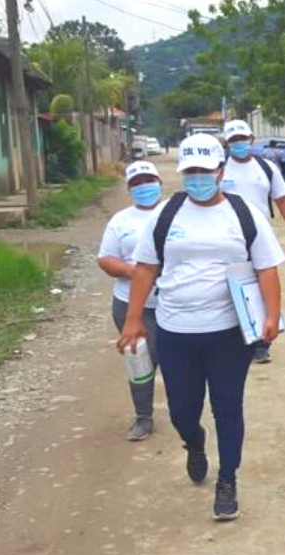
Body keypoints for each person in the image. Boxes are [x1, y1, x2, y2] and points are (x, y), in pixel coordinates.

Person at [117, 133, 285, 521]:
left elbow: (266, 267)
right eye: (190, 171)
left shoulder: (243, 214)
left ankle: (228, 481)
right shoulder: (167, 214)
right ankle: (194, 442)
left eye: (204, 171)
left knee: (228, 407)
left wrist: (272, 315)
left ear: (220, 171)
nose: (197, 178)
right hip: (175, 330)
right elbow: (146, 267)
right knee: (182, 410)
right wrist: (132, 319)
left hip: (229, 331)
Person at [221, 120, 285, 365]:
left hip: (260, 238)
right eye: (233, 140)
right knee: (231, 287)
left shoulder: (266, 167)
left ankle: (261, 342)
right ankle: (234, 338)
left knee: (262, 287)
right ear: (227, 143)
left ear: (251, 139)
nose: (239, 143)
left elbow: (283, 201)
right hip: (228, 238)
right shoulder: (220, 170)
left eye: (242, 138)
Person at [97, 161, 163, 442]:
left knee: (176, 361)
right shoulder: (121, 221)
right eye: (137, 183)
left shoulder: (175, 211)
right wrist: (134, 272)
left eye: (149, 180)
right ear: (129, 189)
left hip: (172, 305)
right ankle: (144, 417)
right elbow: (105, 259)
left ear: (159, 182)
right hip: (130, 304)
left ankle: (186, 412)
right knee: (139, 361)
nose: (144, 186)